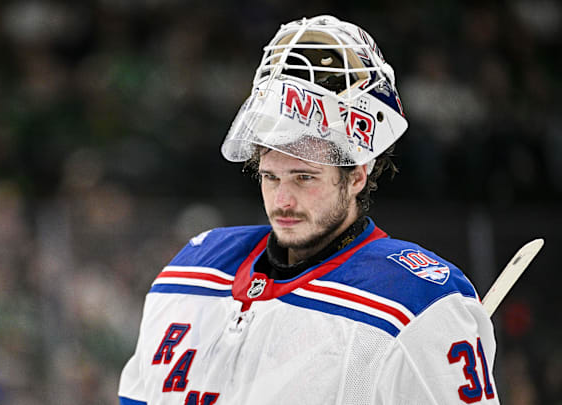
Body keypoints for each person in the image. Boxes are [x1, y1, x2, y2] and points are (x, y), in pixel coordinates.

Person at [119, 15, 498, 404]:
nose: (282, 201)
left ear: (356, 176)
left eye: (304, 178)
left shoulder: (416, 304)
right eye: (270, 177)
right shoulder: (193, 270)